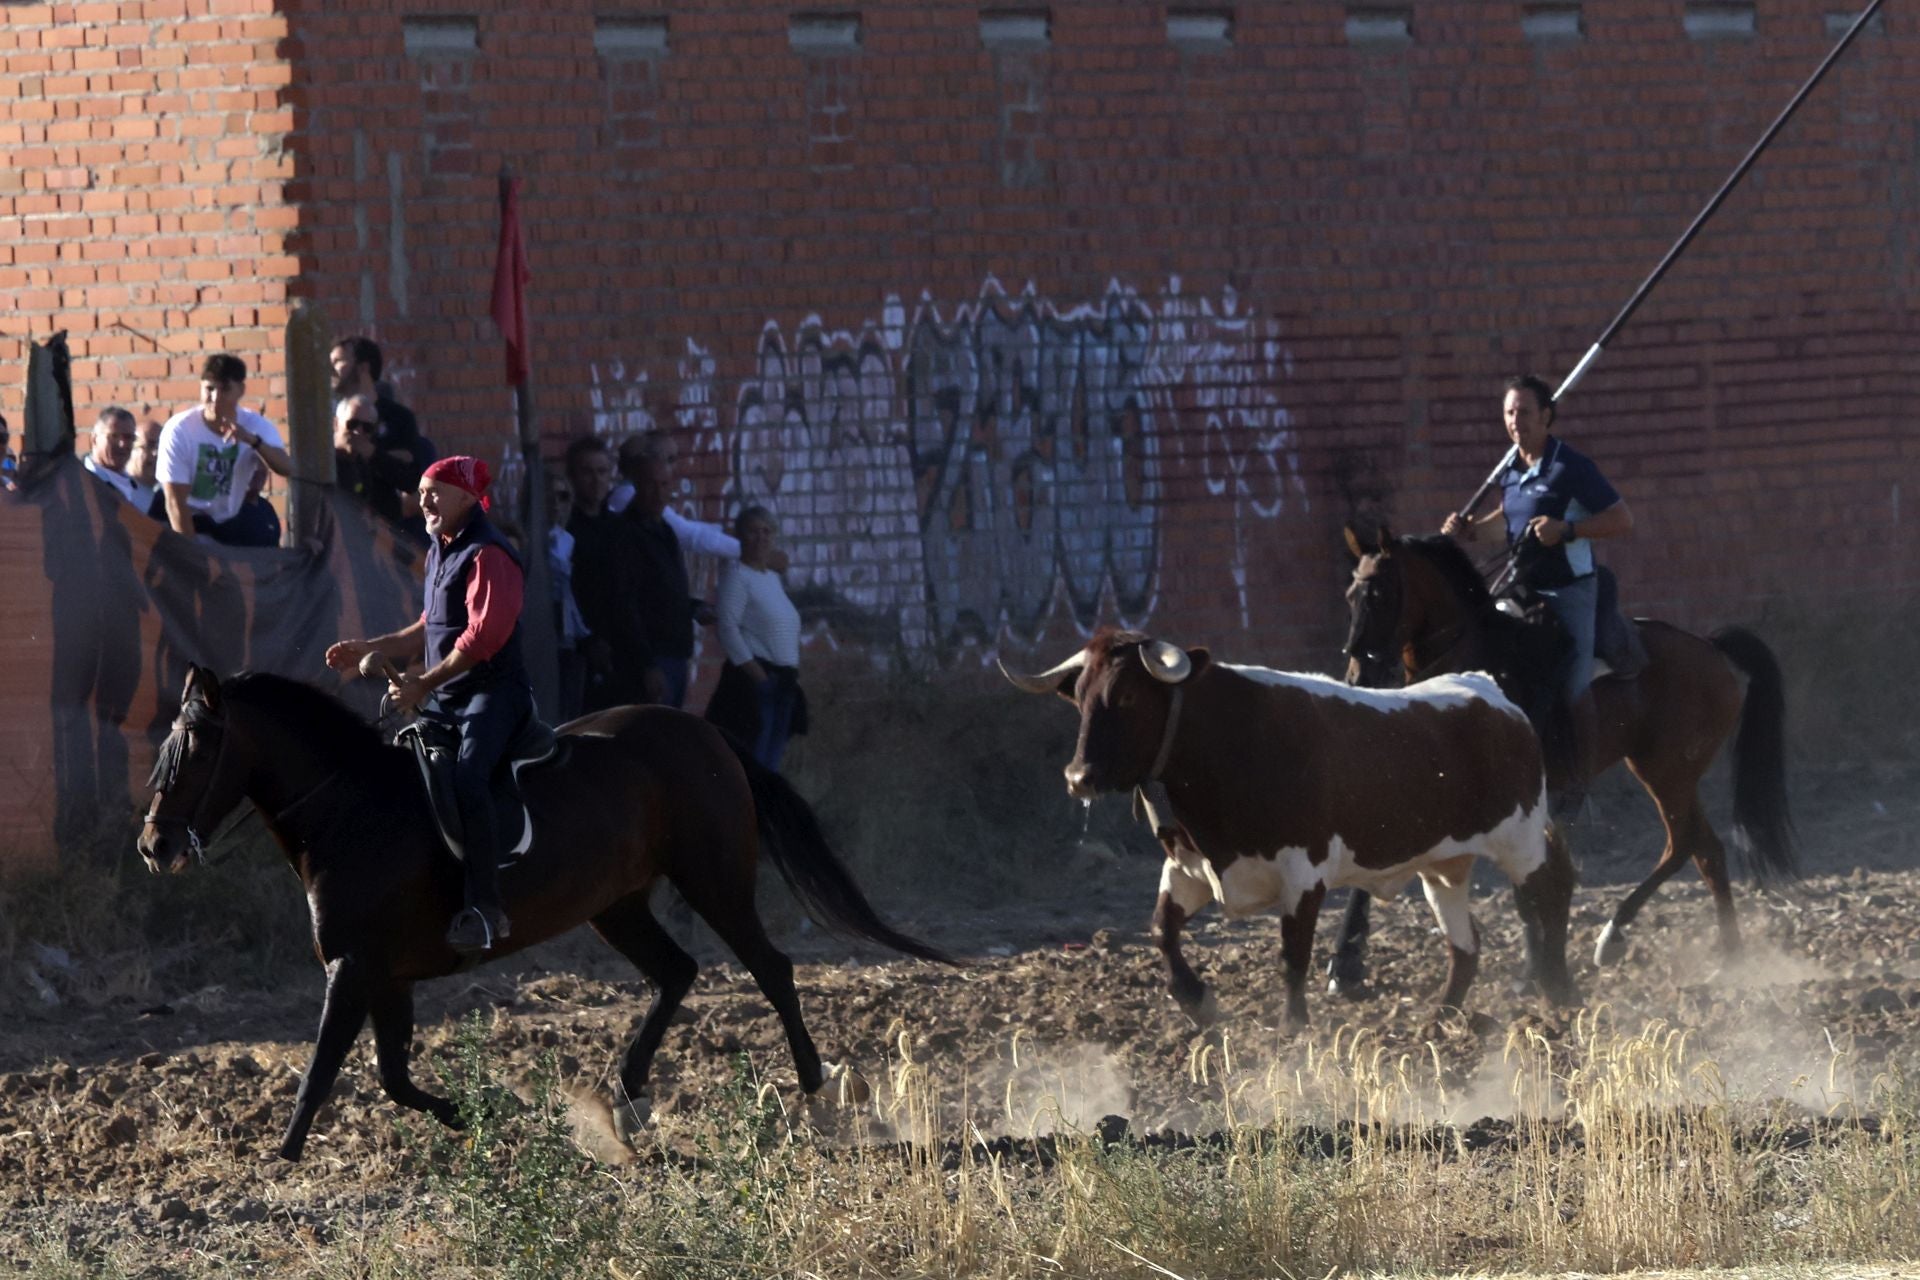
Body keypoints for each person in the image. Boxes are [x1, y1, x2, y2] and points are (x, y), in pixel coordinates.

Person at [325, 456, 530, 954]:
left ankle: (485, 908)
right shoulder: (441, 550)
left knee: (467, 777)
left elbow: (482, 639)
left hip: (492, 696)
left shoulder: (488, 554)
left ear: (465, 498)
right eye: (420, 492)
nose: (423, 501)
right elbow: (426, 628)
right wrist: (367, 646)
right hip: (448, 694)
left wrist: (421, 684)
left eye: (434, 492)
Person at [1442, 374, 1635, 806]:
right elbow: (1508, 524)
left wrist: (1566, 529)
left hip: (1570, 592)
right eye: (1509, 413)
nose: (1515, 421)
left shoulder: (1572, 468)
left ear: (1546, 417)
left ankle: (1580, 782)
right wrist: (1471, 531)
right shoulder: (1511, 469)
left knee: (1572, 682)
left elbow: (1622, 520)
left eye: (1524, 413)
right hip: (1520, 588)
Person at [706, 506, 808, 770]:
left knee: (771, 764)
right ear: (740, 537)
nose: (761, 538)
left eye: (767, 531)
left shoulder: (772, 579)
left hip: (783, 682)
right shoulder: (737, 576)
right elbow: (727, 628)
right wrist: (757, 675)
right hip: (757, 684)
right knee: (754, 762)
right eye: (753, 531)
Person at [157, 354, 292, 547]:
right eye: (209, 389)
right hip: (186, 520)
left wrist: (252, 441)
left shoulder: (255, 425)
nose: (215, 398)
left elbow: (286, 467)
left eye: (225, 389)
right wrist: (194, 557)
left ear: (240, 391)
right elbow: (175, 502)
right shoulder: (180, 430)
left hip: (228, 522)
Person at [331, 335, 433, 482]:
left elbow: (412, 478)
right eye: (352, 425)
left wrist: (371, 453)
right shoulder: (328, 417)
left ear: (363, 368)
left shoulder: (398, 418)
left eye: (338, 361)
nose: (330, 369)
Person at [546, 469, 590, 721]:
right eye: (549, 497)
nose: (555, 504)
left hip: (572, 638)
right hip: (543, 636)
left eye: (562, 497)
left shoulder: (572, 542)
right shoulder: (530, 543)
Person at [333, 393, 413, 527]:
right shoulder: (326, 460)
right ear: (336, 423)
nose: (358, 432)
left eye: (367, 428)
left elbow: (408, 483)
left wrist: (375, 456)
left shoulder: (366, 460)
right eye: (352, 424)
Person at [82, 407, 156, 513]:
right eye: (114, 436)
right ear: (94, 439)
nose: (122, 444)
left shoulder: (142, 491)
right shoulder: (83, 484)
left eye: (128, 437)